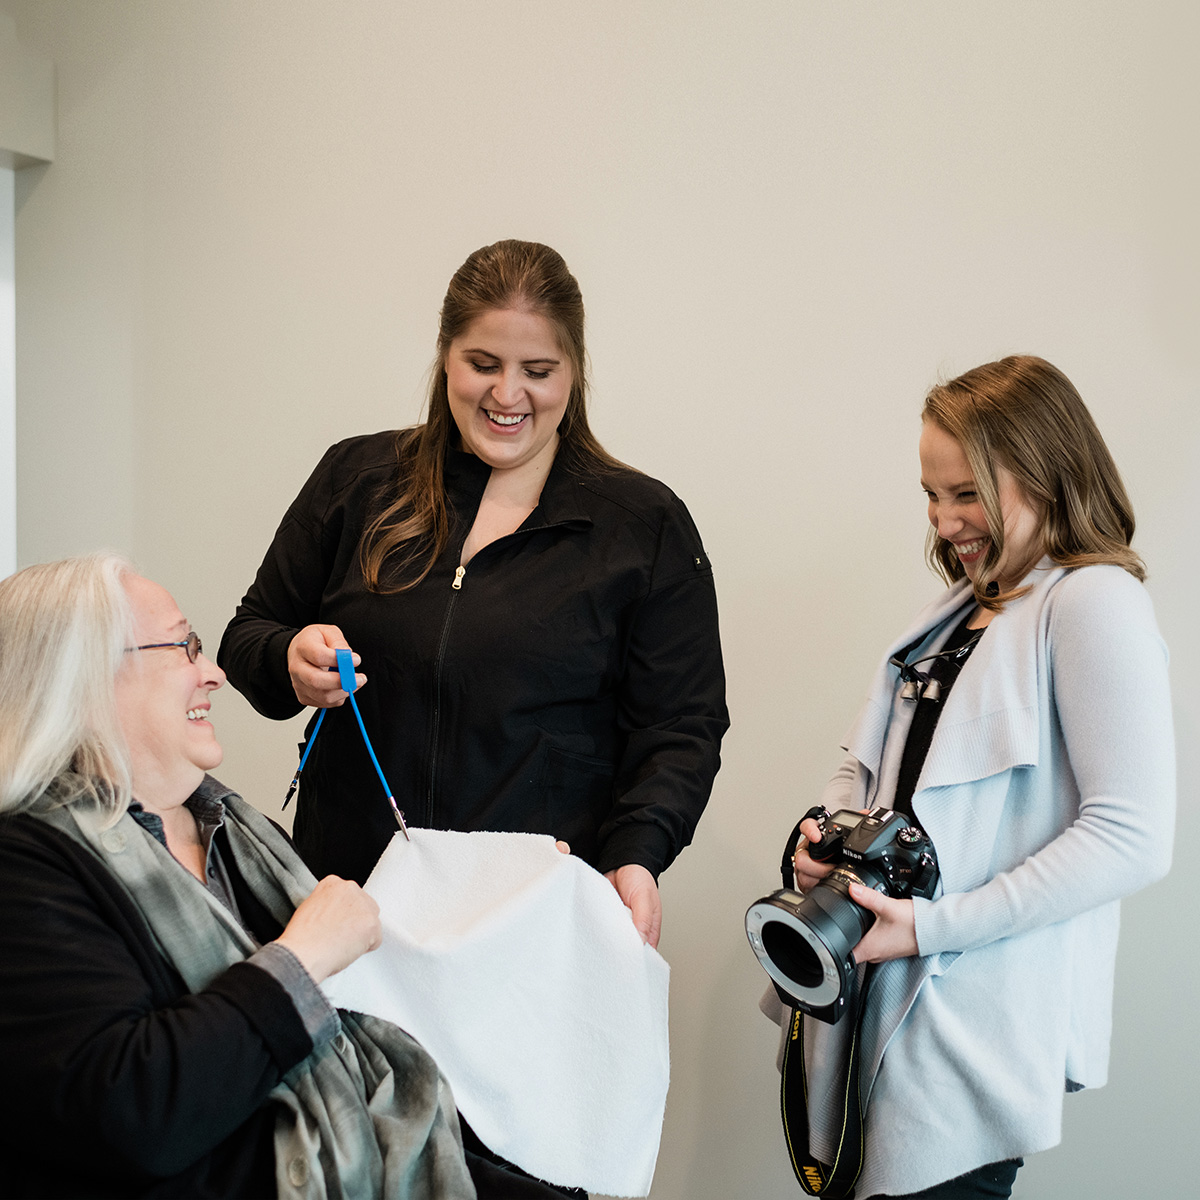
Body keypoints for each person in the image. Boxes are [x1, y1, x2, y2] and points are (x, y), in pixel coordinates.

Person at [0, 555, 571, 1199]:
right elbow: (133, 1116)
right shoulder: (24, 864)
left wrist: (506, 898)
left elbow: (365, 1046)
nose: (214, 672)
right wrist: (299, 959)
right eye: (185, 647)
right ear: (82, 677)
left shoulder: (241, 838)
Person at [218, 238, 729, 949]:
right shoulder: (356, 479)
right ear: (445, 356)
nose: (507, 394)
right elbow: (249, 635)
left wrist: (639, 851)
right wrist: (287, 657)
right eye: (482, 364)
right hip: (352, 909)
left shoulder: (642, 526)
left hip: (528, 919)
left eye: (538, 371)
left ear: (575, 372)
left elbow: (681, 727)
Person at [772, 356, 1175, 1199]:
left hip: (967, 1016)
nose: (946, 519)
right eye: (931, 492)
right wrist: (823, 842)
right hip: (880, 995)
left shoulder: (1093, 601)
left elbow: (1132, 837)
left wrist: (934, 926)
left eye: (968, 494)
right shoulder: (965, 604)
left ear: (1048, 474)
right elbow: (874, 769)